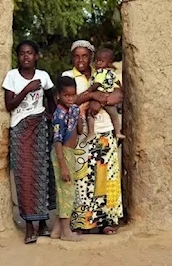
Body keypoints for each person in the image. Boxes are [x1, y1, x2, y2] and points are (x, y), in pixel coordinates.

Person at [62, 40, 124, 235]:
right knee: (83, 180)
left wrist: (97, 96)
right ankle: (83, 223)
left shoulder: (103, 73)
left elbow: (118, 96)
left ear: (91, 57)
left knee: (107, 177)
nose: (81, 60)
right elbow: (72, 100)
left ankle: (108, 221)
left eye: (85, 56)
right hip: (81, 134)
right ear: (72, 58)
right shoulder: (68, 76)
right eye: (77, 56)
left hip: (105, 130)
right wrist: (94, 96)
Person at [2, 40, 57, 244]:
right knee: (24, 177)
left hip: (40, 127)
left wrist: (51, 114)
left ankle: (42, 224)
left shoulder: (43, 76)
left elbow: (51, 97)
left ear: (36, 56)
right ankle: (29, 227)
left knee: (42, 174)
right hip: (20, 129)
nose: (26, 56)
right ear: (19, 57)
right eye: (23, 53)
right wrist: (27, 89)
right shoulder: (12, 77)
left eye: (30, 53)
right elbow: (9, 105)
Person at [49, 76, 83, 242]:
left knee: (65, 191)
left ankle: (56, 230)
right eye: (66, 96)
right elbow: (57, 141)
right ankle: (66, 231)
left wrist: (79, 115)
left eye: (73, 95)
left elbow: (80, 130)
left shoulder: (74, 109)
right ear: (59, 96)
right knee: (67, 193)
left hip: (70, 153)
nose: (70, 98)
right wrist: (62, 165)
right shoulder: (58, 115)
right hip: (61, 154)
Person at [85, 48, 124, 141]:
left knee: (90, 114)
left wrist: (89, 91)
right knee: (114, 115)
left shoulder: (100, 72)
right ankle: (118, 132)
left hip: (99, 96)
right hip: (109, 96)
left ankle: (91, 133)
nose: (98, 63)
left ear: (109, 63)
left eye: (101, 61)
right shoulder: (111, 73)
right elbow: (117, 81)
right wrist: (121, 88)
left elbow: (97, 84)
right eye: (97, 60)